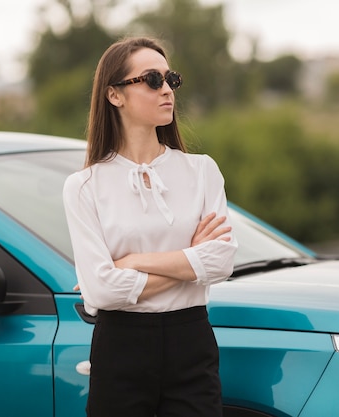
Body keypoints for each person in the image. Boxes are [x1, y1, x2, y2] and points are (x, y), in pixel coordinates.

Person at [62, 36, 237, 417]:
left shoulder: (201, 171)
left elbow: (222, 261)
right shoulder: (84, 187)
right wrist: (191, 263)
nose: (167, 90)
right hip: (120, 347)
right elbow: (103, 291)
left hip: (191, 339)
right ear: (114, 95)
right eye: (152, 80)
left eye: (170, 79)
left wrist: (133, 261)